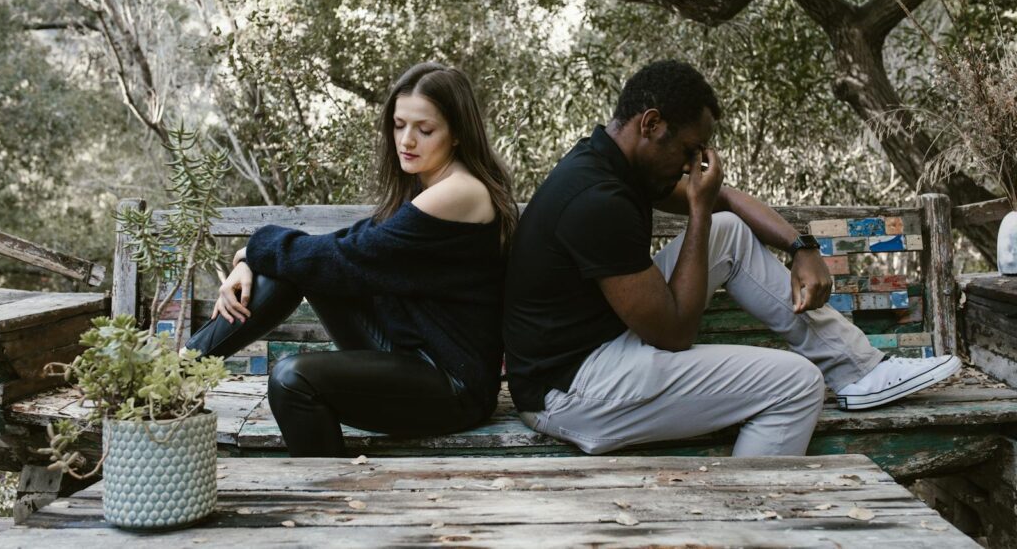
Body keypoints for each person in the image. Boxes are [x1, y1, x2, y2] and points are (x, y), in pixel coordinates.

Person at [503, 59, 961, 456]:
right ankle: (742, 523)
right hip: (571, 392)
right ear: (650, 124)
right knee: (796, 385)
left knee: (728, 231)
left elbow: (725, 201)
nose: (690, 167)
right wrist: (699, 210)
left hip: (599, 346)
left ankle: (858, 371)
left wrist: (802, 248)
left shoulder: (616, 163)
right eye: (687, 151)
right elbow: (675, 332)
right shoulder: (596, 199)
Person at [185, 62, 517, 456]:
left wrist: (253, 249)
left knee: (291, 378)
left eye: (424, 130)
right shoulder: (427, 184)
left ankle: (330, 494)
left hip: (452, 385)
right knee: (300, 264)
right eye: (398, 125)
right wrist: (249, 261)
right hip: (408, 353)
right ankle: (182, 372)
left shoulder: (458, 192)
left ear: (458, 133)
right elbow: (339, 248)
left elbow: (350, 255)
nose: (407, 140)